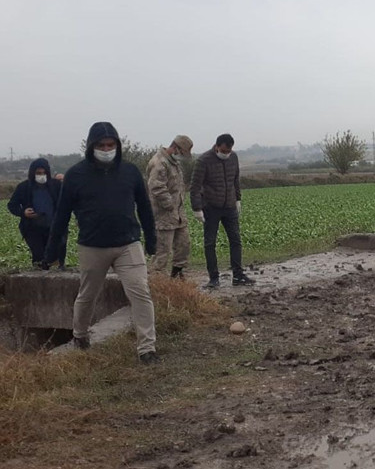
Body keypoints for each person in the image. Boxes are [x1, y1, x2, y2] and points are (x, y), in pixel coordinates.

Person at [44, 122, 160, 364]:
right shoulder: (75, 176)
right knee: (88, 295)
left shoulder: (130, 172)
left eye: (111, 145)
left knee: (140, 292)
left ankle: (147, 349)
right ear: (91, 147)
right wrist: (51, 251)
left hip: (128, 244)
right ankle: (80, 335)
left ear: (117, 145)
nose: (106, 149)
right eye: (101, 145)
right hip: (92, 246)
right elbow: (62, 216)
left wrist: (151, 238)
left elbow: (145, 208)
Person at [190, 133, 255, 288]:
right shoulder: (204, 160)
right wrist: (197, 208)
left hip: (230, 206)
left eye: (229, 151)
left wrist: (238, 199)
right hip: (211, 207)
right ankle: (214, 278)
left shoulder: (233, 158)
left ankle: (238, 276)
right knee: (210, 243)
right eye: (224, 151)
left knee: (236, 240)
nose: (226, 154)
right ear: (217, 146)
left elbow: (235, 180)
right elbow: (195, 186)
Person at [146, 135, 194, 278]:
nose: (182, 156)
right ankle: (157, 279)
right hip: (164, 215)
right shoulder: (159, 162)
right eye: (182, 152)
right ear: (176, 148)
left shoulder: (173, 163)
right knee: (163, 250)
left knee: (183, 245)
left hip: (178, 214)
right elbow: (157, 188)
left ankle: (177, 272)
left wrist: (178, 207)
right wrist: (170, 206)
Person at [7, 158, 67, 269]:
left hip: (54, 228)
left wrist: (65, 180)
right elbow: (12, 205)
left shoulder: (56, 186)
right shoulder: (24, 187)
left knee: (56, 258)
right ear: (32, 173)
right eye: (38, 173)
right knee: (39, 258)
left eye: (44, 173)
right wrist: (23, 212)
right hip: (33, 229)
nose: (41, 175)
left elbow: (68, 199)